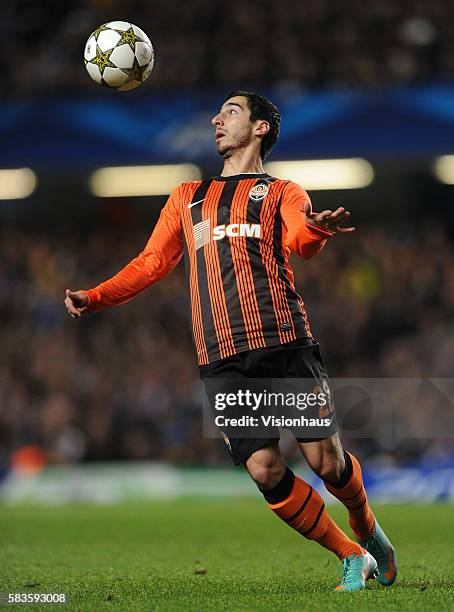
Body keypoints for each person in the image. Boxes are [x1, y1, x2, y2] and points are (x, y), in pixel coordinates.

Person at [65, 90, 397, 592]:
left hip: (283, 343)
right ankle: (351, 555)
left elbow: (300, 243)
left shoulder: (283, 191)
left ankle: (367, 526)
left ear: (261, 128)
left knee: (325, 462)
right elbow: (153, 262)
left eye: (232, 112)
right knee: (265, 469)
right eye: (218, 113)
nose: (217, 119)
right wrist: (97, 296)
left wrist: (317, 230)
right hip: (221, 357)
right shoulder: (187, 197)